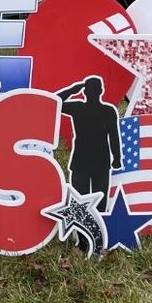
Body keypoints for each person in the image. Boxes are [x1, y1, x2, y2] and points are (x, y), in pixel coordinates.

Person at [56, 76, 121, 211]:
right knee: (81, 203)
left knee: (94, 203)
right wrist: (117, 158)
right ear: (100, 91)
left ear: (85, 91)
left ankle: (98, 230)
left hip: (95, 161)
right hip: (85, 161)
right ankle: (86, 230)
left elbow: (114, 136)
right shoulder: (83, 108)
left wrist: (72, 90)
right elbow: (53, 102)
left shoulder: (102, 110)